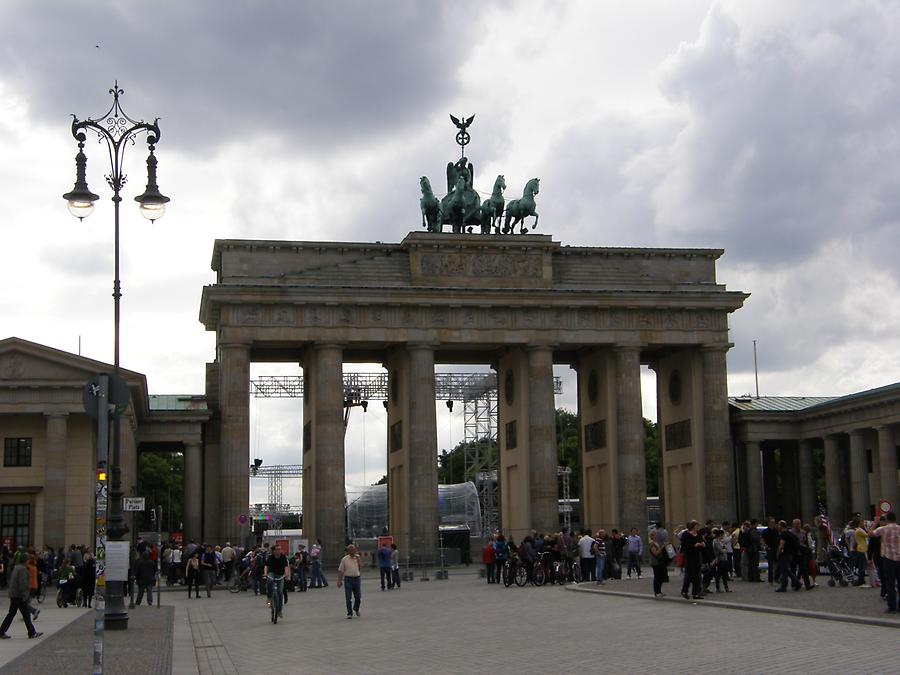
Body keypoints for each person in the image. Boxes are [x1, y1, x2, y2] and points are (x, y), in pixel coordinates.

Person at [0, 554, 41, 640]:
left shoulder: (16, 567)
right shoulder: (22, 569)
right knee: (25, 614)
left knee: (12, 614)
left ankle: (1, 632)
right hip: (19, 595)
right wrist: (25, 595)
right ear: (26, 561)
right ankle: (32, 633)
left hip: (14, 594)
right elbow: (23, 584)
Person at [868, 510, 899, 613]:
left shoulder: (884, 529)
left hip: (888, 559)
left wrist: (875, 522)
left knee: (889, 583)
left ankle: (892, 606)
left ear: (887, 519)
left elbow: (870, 533)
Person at [680, 520, 705, 599]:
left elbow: (702, 542)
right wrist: (694, 545)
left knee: (697, 575)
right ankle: (684, 590)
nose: (698, 527)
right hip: (689, 556)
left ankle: (695, 593)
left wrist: (702, 544)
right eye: (697, 525)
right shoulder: (686, 534)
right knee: (690, 574)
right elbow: (684, 545)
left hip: (697, 555)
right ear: (693, 526)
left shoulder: (698, 534)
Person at [337, 544, 362, 619]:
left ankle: (356, 608)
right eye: (351, 550)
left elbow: (360, 568)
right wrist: (340, 580)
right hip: (348, 579)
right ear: (348, 551)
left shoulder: (357, 557)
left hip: (356, 578)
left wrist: (358, 560)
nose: (353, 551)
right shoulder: (344, 559)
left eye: (354, 550)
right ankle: (349, 613)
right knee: (348, 597)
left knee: (358, 597)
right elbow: (341, 570)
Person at [264, 545, 289, 618]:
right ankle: (269, 599)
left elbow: (286, 567)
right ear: (274, 551)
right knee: (269, 581)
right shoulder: (271, 557)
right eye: (277, 549)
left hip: (280, 575)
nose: (279, 551)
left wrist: (286, 574)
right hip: (272, 573)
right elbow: (266, 566)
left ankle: (279, 611)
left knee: (280, 592)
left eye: (280, 549)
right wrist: (265, 573)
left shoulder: (283, 557)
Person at [648, 531, 668, 597]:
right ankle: (656, 592)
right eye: (654, 535)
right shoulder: (652, 544)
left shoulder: (657, 543)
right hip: (655, 562)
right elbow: (656, 553)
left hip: (660, 562)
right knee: (657, 577)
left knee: (660, 577)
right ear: (651, 536)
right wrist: (662, 547)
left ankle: (659, 591)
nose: (656, 536)